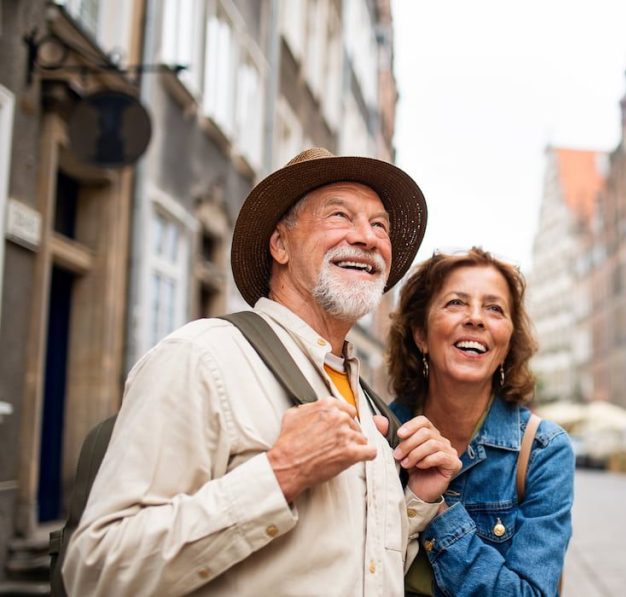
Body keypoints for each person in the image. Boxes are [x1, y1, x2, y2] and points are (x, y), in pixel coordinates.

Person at [63, 148, 462, 595]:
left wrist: (416, 501)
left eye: (380, 225)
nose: (367, 238)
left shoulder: (368, 403)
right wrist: (280, 474)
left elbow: (352, 569)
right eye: (339, 215)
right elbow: (96, 570)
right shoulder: (201, 357)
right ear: (280, 244)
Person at [386, 248, 574, 596]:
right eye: (456, 303)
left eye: (494, 308)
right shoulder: (378, 434)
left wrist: (438, 510)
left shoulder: (543, 451)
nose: (476, 318)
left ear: (507, 342)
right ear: (420, 334)